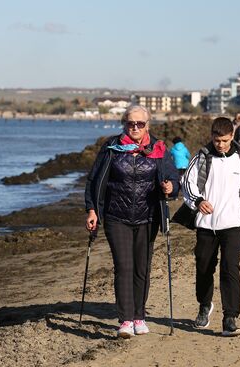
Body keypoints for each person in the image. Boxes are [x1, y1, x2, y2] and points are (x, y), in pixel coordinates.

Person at [85, 105, 180, 338]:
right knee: (124, 267)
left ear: (148, 125)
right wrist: (92, 210)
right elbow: (94, 180)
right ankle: (125, 320)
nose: (135, 127)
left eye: (140, 124)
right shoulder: (111, 148)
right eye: (130, 123)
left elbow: (173, 178)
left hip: (148, 217)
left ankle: (139, 316)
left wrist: (170, 186)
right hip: (117, 217)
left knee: (142, 268)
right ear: (124, 124)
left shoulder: (158, 148)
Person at [182, 117, 240, 337]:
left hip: (233, 225)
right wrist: (198, 201)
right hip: (206, 226)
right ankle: (204, 305)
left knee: (230, 270)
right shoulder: (201, 157)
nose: (221, 144)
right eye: (217, 140)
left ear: (232, 137)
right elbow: (187, 184)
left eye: (225, 140)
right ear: (212, 136)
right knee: (203, 268)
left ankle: (230, 317)